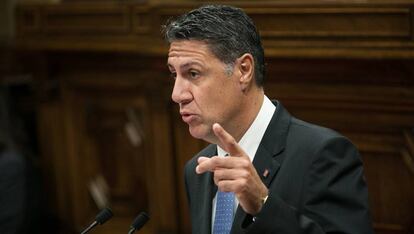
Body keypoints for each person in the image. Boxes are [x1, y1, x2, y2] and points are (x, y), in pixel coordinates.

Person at [164, 4, 373, 234]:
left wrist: (263, 205)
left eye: (193, 73)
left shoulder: (324, 155)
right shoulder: (197, 169)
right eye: (174, 74)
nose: (177, 95)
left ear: (244, 70)